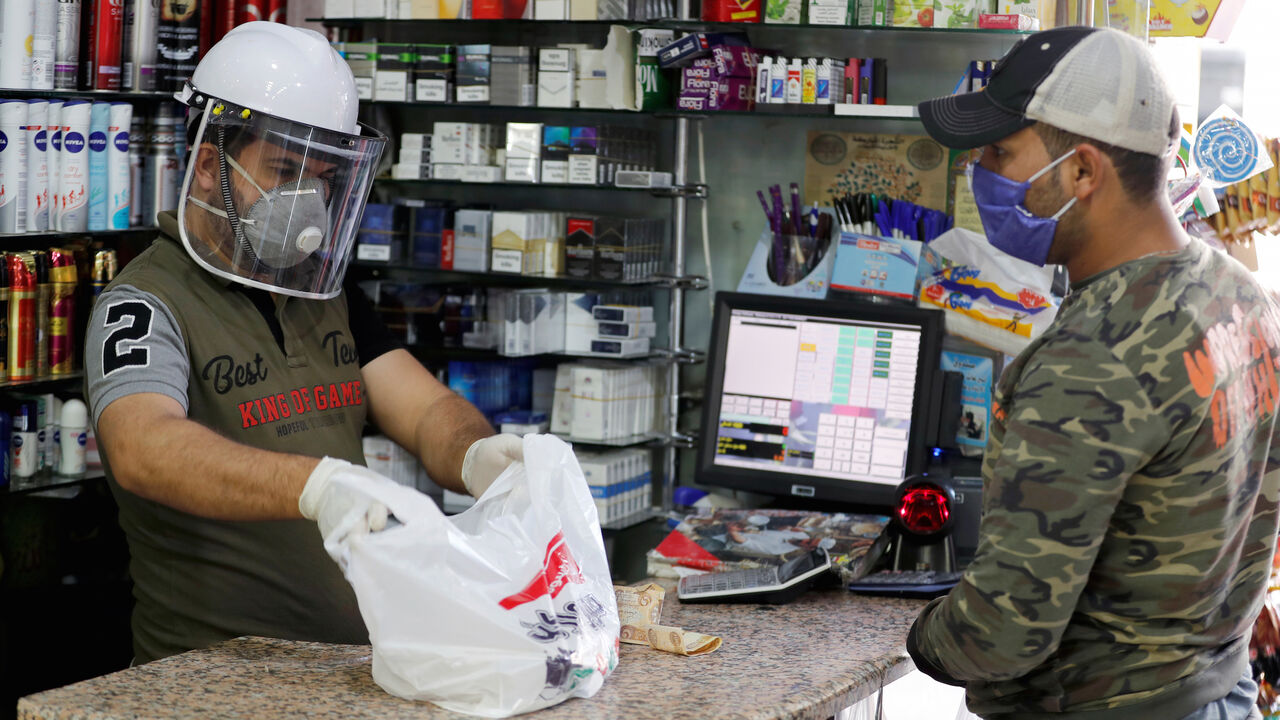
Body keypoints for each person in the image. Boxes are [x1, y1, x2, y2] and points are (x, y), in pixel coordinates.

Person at [84, 22, 524, 664]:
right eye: (286, 171)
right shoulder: (145, 303)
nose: (307, 201)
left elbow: (426, 409)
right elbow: (143, 447)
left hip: (349, 673)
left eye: (321, 179)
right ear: (209, 164)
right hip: (210, 681)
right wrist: (316, 487)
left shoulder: (326, 295)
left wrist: (479, 455)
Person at [907, 26, 1280, 720]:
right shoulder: (1239, 296)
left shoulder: (1091, 357)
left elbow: (1000, 633)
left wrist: (917, 634)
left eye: (999, 152)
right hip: (1216, 691)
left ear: (1083, 172)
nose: (977, 171)